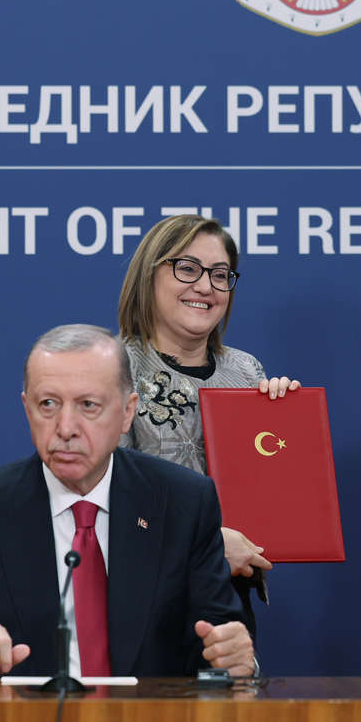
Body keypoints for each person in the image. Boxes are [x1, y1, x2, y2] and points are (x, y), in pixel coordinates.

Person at [0, 324, 256, 678]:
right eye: (48, 404)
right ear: (27, 408)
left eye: (88, 405)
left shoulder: (183, 502)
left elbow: (220, 636)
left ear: (128, 412)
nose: (65, 427)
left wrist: (238, 658)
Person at [117, 214, 299, 592]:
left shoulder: (247, 371)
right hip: (142, 595)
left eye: (220, 275)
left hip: (228, 595)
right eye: (187, 269)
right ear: (148, 276)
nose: (205, 286)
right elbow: (105, 501)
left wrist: (286, 419)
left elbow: (268, 493)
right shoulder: (113, 368)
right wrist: (211, 545)